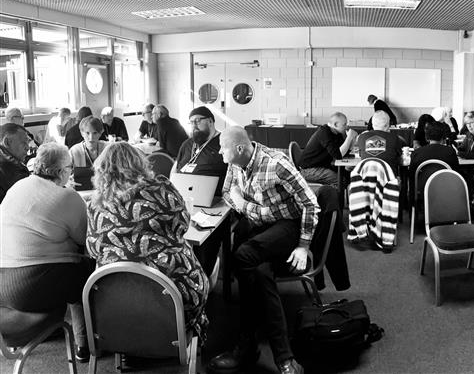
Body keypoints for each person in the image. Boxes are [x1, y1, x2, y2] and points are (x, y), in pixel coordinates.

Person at [209, 127, 318, 374]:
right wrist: (243, 204)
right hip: (258, 227)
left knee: (241, 257)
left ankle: (247, 345)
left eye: (222, 147)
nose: (219, 152)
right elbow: (228, 192)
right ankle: (284, 358)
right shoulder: (235, 163)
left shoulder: (276, 164)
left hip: (286, 226)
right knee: (259, 272)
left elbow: (311, 203)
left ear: (239, 148)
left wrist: (303, 246)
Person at [85, 142, 209, 343]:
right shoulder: (160, 187)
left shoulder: (94, 205)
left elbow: (93, 249)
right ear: (138, 164)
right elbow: (183, 224)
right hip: (172, 293)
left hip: (113, 301)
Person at [0, 143, 93, 362]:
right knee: (88, 271)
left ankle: (82, 342)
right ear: (62, 171)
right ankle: (86, 344)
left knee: (71, 271)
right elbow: (85, 240)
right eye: (70, 167)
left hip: (2, 283)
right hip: (32, 286)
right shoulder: (68, 197)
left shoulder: (18, 186)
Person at [174, 106, 227, 274]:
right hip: (185, 202)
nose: (194, 126)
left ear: (210, 121)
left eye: (198, 121)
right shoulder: (188, 144)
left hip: (216, 203)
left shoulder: (222, 143)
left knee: (206, 240)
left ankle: (203, 277)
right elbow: (175, 169)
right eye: (191, 122)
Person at [299, 112, 358, 187]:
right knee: (341, 181)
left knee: (347, 174)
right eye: (344, 124)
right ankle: (333, 197)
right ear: (336, 125)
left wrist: (352, 140)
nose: (347, 127)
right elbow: (338, 155)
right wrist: (349, 138)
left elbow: (344, 153)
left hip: (322, 166)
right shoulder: (324, 132)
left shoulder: (338, 133)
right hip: (309, 169)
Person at [409, 121, 459, 193]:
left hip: (423, 190)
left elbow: (412, 177)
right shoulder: (450, 152)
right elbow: (455, 174)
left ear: (427, 137)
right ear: (443, 137)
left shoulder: (417, 153)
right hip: (446, 189)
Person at [0, 123, 31, 202]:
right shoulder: (13, 171)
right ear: (7, 142)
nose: (28, 148)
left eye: (28, 142)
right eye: (24, 143)